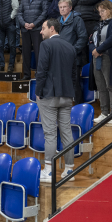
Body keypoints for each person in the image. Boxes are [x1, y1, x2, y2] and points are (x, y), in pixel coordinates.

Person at [34, 19, 77, 183]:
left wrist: (38, 91)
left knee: (50, 134)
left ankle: (49, 171)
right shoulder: (70, 46)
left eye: (43, 28)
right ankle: (69, 170)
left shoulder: (46, 45)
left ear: (52, 29)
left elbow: (41, 70)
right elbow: (74, 74)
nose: (41, 31)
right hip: (67, 95)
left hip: (49, 95)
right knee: (67, 132)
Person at [88, 0, 112, 124]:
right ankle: (104, 113)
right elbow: (90, 40)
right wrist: (94, 50)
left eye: (103, 11)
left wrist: (99, 49)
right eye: (99, 11)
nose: (101, 14)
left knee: (111, 86)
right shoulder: (98, 24)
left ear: (110, 10)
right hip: (96, 58)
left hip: (109, 57)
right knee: (101, 86)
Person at [57, 0, 87, 104]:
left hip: (73, 57)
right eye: (60, 7)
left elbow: (83, 38)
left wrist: (72, 51)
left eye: (64, 7)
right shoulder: (57, 21)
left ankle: (79, 107)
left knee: (74, 85)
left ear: (70, 8)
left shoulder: (77, 20)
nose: (62, 9)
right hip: (59, 58)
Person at [17, 0, 47, 80]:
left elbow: (44, 13)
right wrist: (24, 23)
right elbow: (19, 13)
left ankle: (39, 74)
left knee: (38, 52)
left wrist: (34, 24)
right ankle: (26, 74)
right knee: (26, 53)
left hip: (37, 29)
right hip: (25, 29)